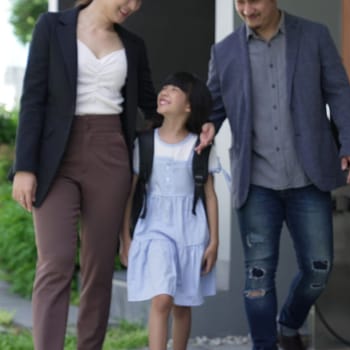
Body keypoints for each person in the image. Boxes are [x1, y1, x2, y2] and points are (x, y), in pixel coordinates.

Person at [9, 1, 212, 348]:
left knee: (98, 268)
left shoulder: (133, 45)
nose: (132, 6)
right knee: (54, 262)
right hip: (55, 158)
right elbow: (33, 99)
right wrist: (24, 167)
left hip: (111, 155)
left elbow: (151, 104)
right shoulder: (50, 27)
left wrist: (201, 122)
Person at [206, 1, 350, 349]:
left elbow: (339, 93)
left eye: (254, 1)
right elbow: (213, 109)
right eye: (239, 2)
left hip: (307, 178)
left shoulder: (314, 37)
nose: (247, 9)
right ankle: (265, 345)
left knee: (319, 269)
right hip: (256, 182)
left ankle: (289, 323)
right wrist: (201, 129)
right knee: (258, 277)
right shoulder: (224, 52)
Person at [119, 72, 220, 350]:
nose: (164, 91)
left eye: (174, 90)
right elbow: (130, 193)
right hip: (154, 228)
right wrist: (125, 238)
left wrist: (214, 242)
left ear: (189, 106)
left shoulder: (200, 147)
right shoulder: (145, 143)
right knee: (162, 298)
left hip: (190, 230)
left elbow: (210, 196)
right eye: (165, 87)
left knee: (182, 304)